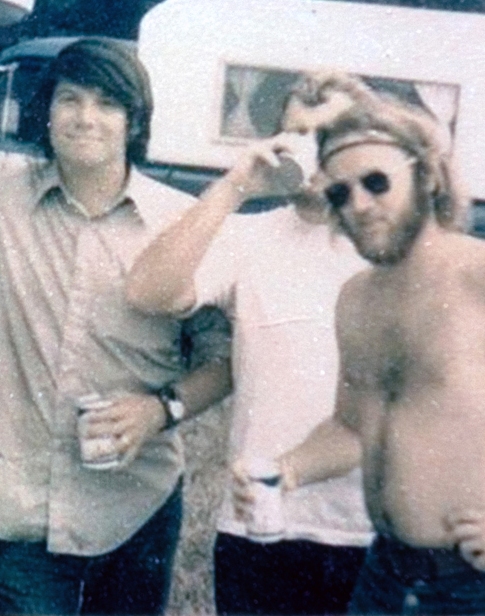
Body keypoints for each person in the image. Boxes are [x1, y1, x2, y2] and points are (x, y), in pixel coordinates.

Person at [0, 37, 232, 616]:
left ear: (134, 121)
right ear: (45, 111)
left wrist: (161, 410)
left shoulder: (178, 221)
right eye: (69, 99)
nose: (85, 117)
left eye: (107, 103)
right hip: (21, 503)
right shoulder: (2, 190)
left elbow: (223, 357)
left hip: (137, 502)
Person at [277, 73, 485, 615]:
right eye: (340, 192)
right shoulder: (356, 298)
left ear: (429, 177)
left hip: (483, 586)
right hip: (385, 578)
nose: (359, 205)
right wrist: (286, 471)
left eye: (376, 182)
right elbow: (351, 426)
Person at [126, 89, 374, 615]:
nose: (308, 150)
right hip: (260, 525)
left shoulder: (385, 249)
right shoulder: (249, 238)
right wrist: (236, 186)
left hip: (371, 531)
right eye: (296, 133)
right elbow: (148, 292)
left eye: (326, 137)